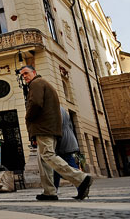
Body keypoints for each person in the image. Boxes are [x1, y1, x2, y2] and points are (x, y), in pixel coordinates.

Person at [20, 65, 92, 201]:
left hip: (44, 128)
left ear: (34, 72)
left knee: (48, 155)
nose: (24, 76)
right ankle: (49, 192)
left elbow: (35, 103)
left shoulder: (36, 83)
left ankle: (81, 178)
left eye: (26, 73)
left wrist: (27, 117)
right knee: (44, 160)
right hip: (47, 128)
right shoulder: (43, 84)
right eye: (22, 75)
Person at [54, 107, 80, 191]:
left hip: (63, 140)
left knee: (69, 164)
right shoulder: (61, 108)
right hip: (68, 138)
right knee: (55, 167)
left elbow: (57, 125)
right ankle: (53, 190)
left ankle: (81, 184)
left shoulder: (55, 108)